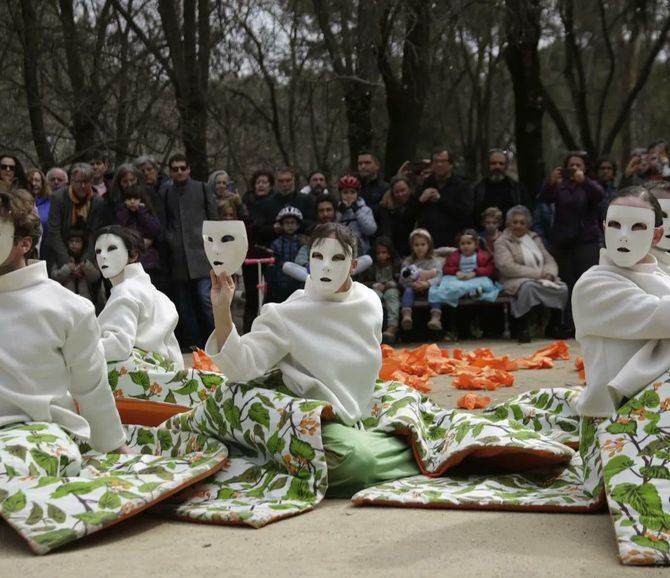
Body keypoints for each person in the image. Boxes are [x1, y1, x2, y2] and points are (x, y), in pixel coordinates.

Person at [206, 222, 420, 497]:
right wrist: (221, 308)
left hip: (356, 412)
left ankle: (383, 445)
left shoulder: (369, 301)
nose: (326, 266)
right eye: (317, 257)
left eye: (337, 258)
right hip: (310, 416)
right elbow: (240, 366)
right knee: (358, 462)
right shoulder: (288, 313)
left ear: (353, 265)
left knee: (412, 414)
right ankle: (395, 453)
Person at [0, 189, 126, 454]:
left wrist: (116, 451)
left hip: (39, 437)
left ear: (24, 243)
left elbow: (91, 389)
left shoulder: (68, 308)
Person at [572, 186, 670, 417]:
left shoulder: (662, 276)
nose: (624, 235)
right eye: (615, 225)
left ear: (656, 235)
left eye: (637, 226)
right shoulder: (592, 286)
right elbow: (661, 316)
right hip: (616, 418)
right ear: (605, 228)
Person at [95, 226, 183, 369]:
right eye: (98, 251)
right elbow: (174, 352)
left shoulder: (125, 291)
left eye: (111, 248)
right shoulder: (158, 295)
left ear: (133, 254)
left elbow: (119, 346)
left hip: (139, 381)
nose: (102, 256)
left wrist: (78, 347)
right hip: (166, 377)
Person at [537, 151, 603, 336]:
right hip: (563, 242)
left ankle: (589, 325)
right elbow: (543, 199)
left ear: (585, 168)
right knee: (566, 284)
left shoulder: (589, 185)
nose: (574, 168)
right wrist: (550, 183)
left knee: (586, 283)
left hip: (586, 241)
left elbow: (599, 195)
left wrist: (585, 182)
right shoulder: (560, 186)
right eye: (571, 165)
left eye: (578, 165)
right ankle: (566, 325)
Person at [162, 153, 218, 348]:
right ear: (170, 172)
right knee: (184, 306)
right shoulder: (167, 192)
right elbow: (165, 221)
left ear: (188, 169)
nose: (179, 172)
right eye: (175, 169)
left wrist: (214, 250)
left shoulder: (202, 188)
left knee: (205, 300)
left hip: (202, 256)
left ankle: (218, 340)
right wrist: (170, 238)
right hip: (178, 258)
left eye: (182, 168)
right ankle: (194, 345)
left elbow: (214, 221)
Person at [494, 205, 568, 343]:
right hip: (514, 279)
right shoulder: (502, 242)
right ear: (509, 224)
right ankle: (523, 328)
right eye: (515, 222)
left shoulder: (535, 238)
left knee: (561, 287)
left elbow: (549, 259)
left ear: (527, 225)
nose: (518, 226)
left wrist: (550, 274)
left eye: (522, 223)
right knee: (528, 287)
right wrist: (539, 274)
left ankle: (555, 326)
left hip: (541, 277)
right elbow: (507, 267)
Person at [46, 162, 104, 270]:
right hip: (61, 252)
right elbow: (54, 231)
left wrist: (85, 261)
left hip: (87, 252)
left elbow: (95, 233)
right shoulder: (58, 198)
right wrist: (66, 261)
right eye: (79, 182)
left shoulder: (97, 201)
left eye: (86, 182)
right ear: (71, 181)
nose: (82, 186)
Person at [416, 148, 472, 249]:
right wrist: (420, 200)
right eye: (436, 161)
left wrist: (440, 200)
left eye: (442, 161)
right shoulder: (425, 184)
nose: (439, 165)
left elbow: (465, 212)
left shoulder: (461, 185)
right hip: (427, 245)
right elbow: (411, 213)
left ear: (451, 164)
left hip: (453, 243)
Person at [429, 229, 500, 308]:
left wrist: (475, 273)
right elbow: (446, 268)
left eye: (469, 243)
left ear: (476, 245)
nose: (466, 246)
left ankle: (472, 293)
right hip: (459, 278)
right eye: (462, 243)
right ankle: (466, 294)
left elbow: (489, 268)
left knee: (485, 284)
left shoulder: (483, 256)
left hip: (476, 277)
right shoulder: (454, 256)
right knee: (452, 286)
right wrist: (456, 272)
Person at [114, 184, 162, 283]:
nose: (132, 201)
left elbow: (155, 230)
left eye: (135, 198)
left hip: (149, 263)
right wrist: (124, 211)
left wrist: (142, 212)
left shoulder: (147, 212)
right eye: (129, 199)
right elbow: (119, 229)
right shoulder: (121, 214)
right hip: (128, 264)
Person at [399, 228, 444, 331]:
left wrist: (428, 283)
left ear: (429, 245)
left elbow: (439, 277)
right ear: (412, 246)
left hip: (429, 288)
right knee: (408, 291)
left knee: (435, 291)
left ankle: (436, 318)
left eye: (423, 244)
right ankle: (406, 316)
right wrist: (412, 284)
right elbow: (402, 278)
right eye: (416, 245)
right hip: (413, 287)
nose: (420, 248)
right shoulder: (408, 261)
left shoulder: (434, 261)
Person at [359, 237, 401, 343]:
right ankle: (372, 326)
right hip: (376, 288)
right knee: (373, 299)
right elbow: (362, 281)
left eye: (384, 252)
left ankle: (392, 327)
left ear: (389, 253)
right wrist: (374, 284)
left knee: (392, 297)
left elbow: (403, 281)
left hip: (391, 288)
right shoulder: (371, 266)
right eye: (378, 253)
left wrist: (393, 283)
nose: (381, 255)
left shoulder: (396, 264)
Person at [51, 228, 102, 307]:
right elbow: (54, 278)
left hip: (85, 300)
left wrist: (85, 266)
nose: (74, 244)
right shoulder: (61, 258)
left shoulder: (89, 257)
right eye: (71, 241)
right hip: (66, 300)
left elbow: (95, 277)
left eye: (77, 241)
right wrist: (67, 268)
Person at [472, 149, 528, 221]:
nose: (497, 167)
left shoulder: (517, 189)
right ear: (488, 165)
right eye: (493, 163)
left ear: (506, 166)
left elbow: (525, 213)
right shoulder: (478, 189)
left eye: (501, 164)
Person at [377, 175, 420, 258]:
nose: (400, 194)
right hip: (396, 251)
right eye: (397, 192)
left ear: (410, 189)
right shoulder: (386, 208)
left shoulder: (417, 203)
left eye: (403, 190)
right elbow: (387, 232)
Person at [268, 206, 304, 303]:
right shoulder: (276, 243)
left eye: (293, 223)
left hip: (299, 284)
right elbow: (273, 265)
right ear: (281, 225)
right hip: (280, 285)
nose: (290, 226)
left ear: (298, 225)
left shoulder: (302, 242)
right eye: (287, 223)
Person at [336, 175, 377, 256]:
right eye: (345, 192)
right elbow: (332, 229)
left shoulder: (365, 209)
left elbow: (371, 230)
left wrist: (357, 211)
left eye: (352, 192)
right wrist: (340, 214)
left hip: (362, 251)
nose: (349, 196)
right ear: (340, 194)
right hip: (342, 251)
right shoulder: (337, 210)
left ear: (357, 193)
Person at [26, 167, 52, 259]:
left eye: (37, 180)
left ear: (43, 183)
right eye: (31, 180)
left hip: (48, 249)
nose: (33, 184)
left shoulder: (50, 202)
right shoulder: (23, 202)